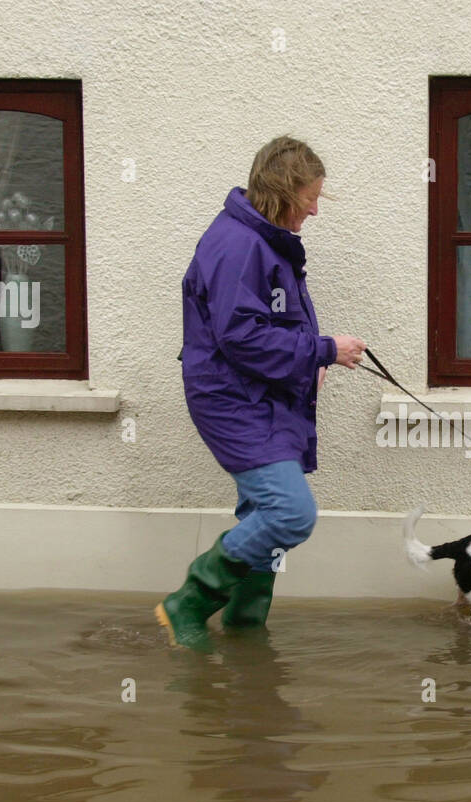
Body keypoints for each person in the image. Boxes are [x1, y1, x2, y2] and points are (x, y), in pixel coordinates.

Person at [157, 136, 365, 648]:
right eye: (309, 198)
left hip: (265, 396)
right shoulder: (237, 245)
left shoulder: (263, 241)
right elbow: (241, 336)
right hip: (234, 401)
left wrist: (308, 360)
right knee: (291, 513)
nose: (315, 209)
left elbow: (267, 325)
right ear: (281, 192)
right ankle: (190, 600)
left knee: (261, 516)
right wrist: (321, 351)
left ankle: (246, 629)